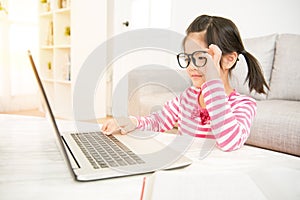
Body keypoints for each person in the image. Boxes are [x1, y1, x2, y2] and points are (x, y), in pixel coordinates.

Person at [101, 14, 269, 152]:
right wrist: (131, 122)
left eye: (201, 58)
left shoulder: (244, 105)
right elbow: (158, 121)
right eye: (188, 58)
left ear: (229, 60)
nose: (190, 67)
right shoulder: (187, 98)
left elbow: (229, 142)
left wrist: (212, 79)